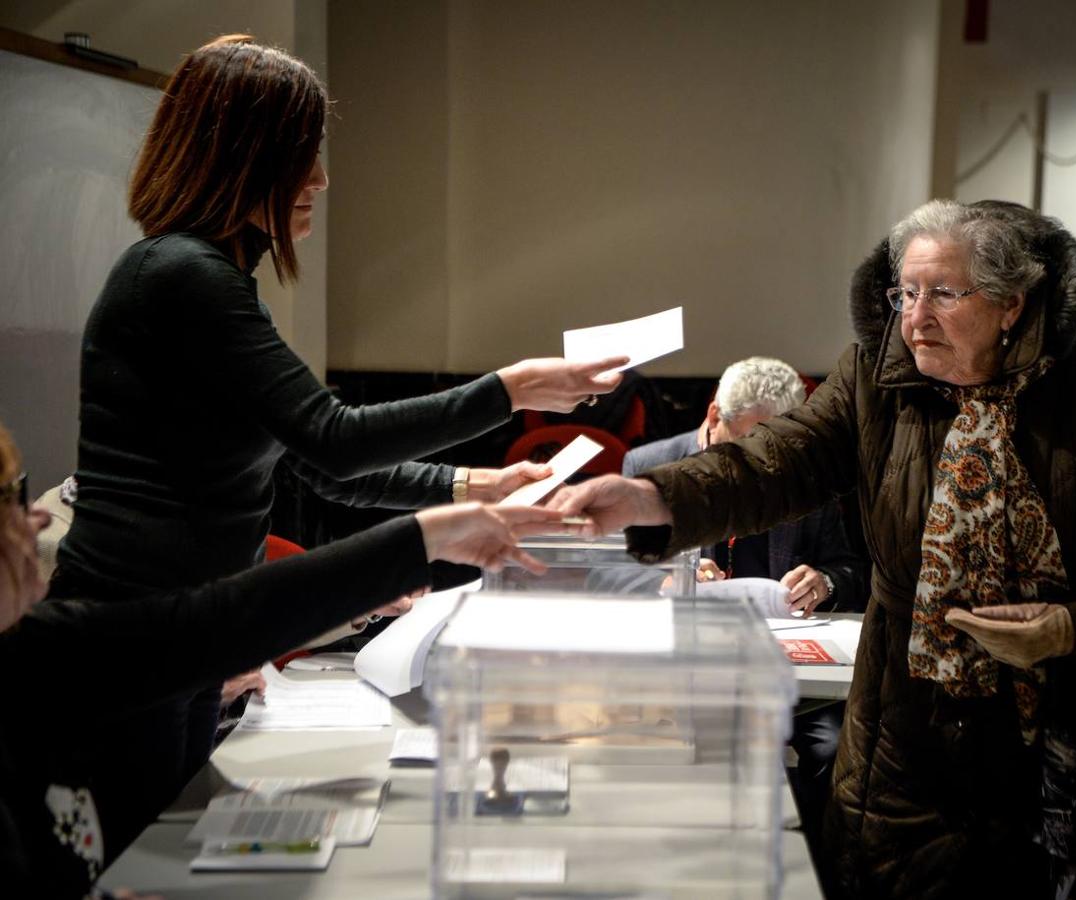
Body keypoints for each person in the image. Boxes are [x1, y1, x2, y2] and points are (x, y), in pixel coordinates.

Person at [552, 200, 1076, 898]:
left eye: (942, 293)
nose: (915, 317)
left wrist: (1072, 629)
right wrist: (650, 498)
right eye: (905, 293)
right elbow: (773, 462)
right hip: (910, 745)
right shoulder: (878, 379)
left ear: (1011, 306)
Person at [47, 34, 624, 852]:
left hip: (187, 633)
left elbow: (318, 469)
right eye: (299, 155)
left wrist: (472, 488)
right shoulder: (183, 276)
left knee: (166, 852)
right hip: (138, 630)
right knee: (139, 863)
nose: (319, 178)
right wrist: (511, 388)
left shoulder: (207, 275)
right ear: (237, 156)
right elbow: (334, 441)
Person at [0, 421, 570, 897]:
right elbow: (220, 624)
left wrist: (418, 546)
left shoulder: (34, 646)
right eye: (10, 502)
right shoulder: (44, 644)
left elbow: (223, 621)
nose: (36, 519)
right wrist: (419, 543)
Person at [623, 356, 867, 615]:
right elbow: (610, 572)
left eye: (774, 449)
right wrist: (671, 582)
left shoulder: (806, 471)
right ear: (715, 417)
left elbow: (849, 571)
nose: (760, 463)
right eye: (747, 446)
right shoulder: (649, 467)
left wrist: (824, 583)